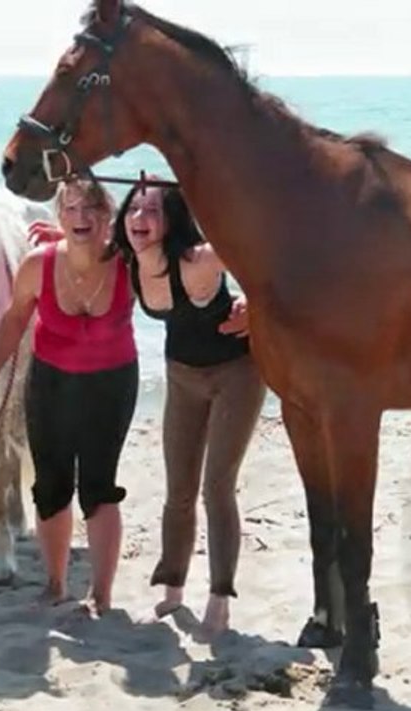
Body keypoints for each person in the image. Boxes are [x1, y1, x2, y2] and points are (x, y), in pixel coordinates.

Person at [110, 180, 267, 637]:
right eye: (133, 210)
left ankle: (220, 598)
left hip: (236, 375)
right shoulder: (128, 261)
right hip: (181, 377)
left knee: (217, 487)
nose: (140, 219)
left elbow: (261, 250)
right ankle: (172, 591)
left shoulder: (198, 260)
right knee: (178, 489)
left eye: (153, 211)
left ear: (173, 219)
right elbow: (79, 248)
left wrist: (255, 306)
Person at [0, 178, 138, 616]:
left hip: (112, 384)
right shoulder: (38, 264)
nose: (81, 218)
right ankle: (56, 583)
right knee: (51, 485)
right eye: (71, 209)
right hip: (50, 384)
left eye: (92, 209)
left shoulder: (129, 262)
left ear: (108, 216)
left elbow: (173, 279)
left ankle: (102, 594)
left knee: (100, 488)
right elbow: (13, 321)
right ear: (58, 216)